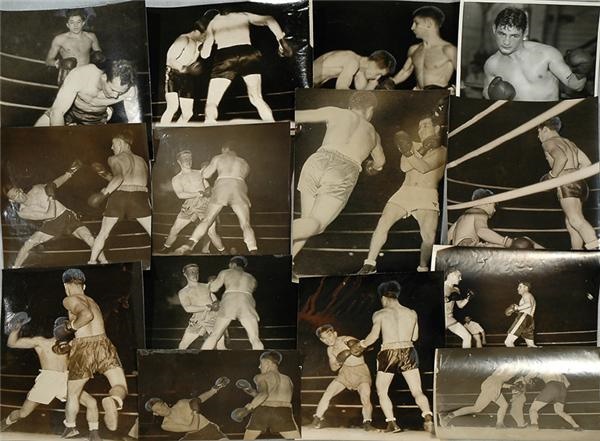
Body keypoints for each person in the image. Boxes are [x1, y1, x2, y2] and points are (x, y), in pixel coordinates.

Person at [293, 91, 386, 260]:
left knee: (307, 222)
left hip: (317, 160)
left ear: (351, 106)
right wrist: (372, 167)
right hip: (343, 171)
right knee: (317, 225)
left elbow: (297, 114)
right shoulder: (374, 134)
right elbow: (380, 163)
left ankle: (289, 260)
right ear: (370, 109)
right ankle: (274, 236)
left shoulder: (336, 112)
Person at [359, 115, 446, 274]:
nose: (421, 130)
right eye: (419, 127)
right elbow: (405, 166)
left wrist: (416, 152)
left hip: (427, 195)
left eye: (425, 125)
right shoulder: (412, 144)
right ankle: (369, 264)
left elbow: (424, 168)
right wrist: (420, 149)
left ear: (437, 128)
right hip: (405, 191)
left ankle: (423, 268)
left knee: (429, 237)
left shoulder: (443, 151)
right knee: (383, 222)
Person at [1, 312, 100, 440]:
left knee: (91, 402)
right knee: (23, 413)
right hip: (46, 381)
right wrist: (16, 328)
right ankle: (5, 423)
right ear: (56, 328)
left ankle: (94, 434)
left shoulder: (72, 345)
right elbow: (12, 344)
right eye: (64, 327)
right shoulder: (42, 342)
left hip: (66, 379)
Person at [54, 268, 128, 433]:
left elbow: (86, 315)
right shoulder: (93, 301)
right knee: (119, 384)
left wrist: (70, 326)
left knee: (73, 393)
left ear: (66, 285)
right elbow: (91, 314)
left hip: (84, 347)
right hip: (104, 343)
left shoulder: (69, 299)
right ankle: (114, 400)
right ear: (84, 286)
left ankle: (71, 427)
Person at [357, 281, 434, 434]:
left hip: (389, 351)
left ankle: (392, 423)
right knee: (417, 391)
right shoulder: (411, 312)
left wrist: (361, 344)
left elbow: (373, 337)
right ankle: (428, 418)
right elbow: (415, 336)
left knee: (382, 391)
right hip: (408, 351)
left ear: (384, 297)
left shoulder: (380, 314)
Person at [6, 161, 108, 268]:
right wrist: (51, 198)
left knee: (89, 238)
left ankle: (106, 263)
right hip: (51, 224)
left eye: (17, 192)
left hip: (66, 216)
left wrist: (69, 173)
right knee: (28, 244)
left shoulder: (36, 189)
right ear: (12, 201)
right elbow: (49, 215)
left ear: (21, 190)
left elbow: (53, 185)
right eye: (14, 197)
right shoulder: (23, 212)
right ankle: (15, 269)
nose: (18, 196)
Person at [200, 10, 293, 123]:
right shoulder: (243, 15)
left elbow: (205, 55)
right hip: (248, 52)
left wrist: (201, 47)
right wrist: (280, 39)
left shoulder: (213, 22)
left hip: (225, 55)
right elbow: (269, 19)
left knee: (212, 102)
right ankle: (272, 125)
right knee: (256, 98)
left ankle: (210, 125)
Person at [483, 7, 587, 101]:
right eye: (502, 34)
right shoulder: (492, 64)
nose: (506, 42)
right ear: (494, 29)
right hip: (516, 118)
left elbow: (575, 85)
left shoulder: (547, 54)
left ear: (525, 32)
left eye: (514, 36)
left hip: (547, 118)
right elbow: (486, 93)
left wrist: (581, 71)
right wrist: (492, 95)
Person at [174, 145, 256, 255]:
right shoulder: (244, 163)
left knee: (207, 220)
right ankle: (253, 249)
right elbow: (241, 177)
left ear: (225, 149)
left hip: (222, 185)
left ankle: (190, 244)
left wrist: (204, 169)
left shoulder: (219, 157)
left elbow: (206, 175)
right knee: (246, 224)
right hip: (239, 186)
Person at [88, 133, 151, 263]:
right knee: (152, 232)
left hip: (120, 196)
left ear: (121, 143)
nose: (112, 147)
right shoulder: (142, 161)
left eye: (113, 144)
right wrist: (105, 174)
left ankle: (92, 262)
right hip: (140, 197)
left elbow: (119, 178)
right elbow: (128, 180)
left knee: (103, 233)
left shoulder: (115, 158)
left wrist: (104, 193)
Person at [538, 116, 598, 250]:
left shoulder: (548, 142)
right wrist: (573, 175)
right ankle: (576, 252)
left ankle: (596, 249)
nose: (538, 136)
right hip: (580, 182)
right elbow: (587, 163)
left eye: (539, 131)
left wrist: (552, 177)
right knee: (571, 222)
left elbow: (561, 158)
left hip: (566, 183)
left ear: (546, 129)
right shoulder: (569, 142)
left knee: (576, 220)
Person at [35, 59, 140, 126]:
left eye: (120, 93)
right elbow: (57, 111)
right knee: (36, 133)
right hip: (69, 111)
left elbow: (134, 122)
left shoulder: (130, 91)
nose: (115, 96)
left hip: (96, 119)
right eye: (113, 90)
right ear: (104, 78)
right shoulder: (82, 75)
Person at [311, 324, 375, 431]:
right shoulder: (329, 350)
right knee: (328, 393)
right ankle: (317, 418)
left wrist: (357, 347)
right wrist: (339, 360)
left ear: (335, 333)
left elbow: (362, 348)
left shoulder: (347, 339)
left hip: (360, 371)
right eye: (324, 339)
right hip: (344, 372)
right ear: (322, 340)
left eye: (329, 336)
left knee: (365, 398)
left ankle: (367, 422)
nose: (328, 340)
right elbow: (333, 368)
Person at [159, 150, 224, 254]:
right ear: (179, 162)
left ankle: (223, 251)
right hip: (189, 205)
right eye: (185, 159)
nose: (188, 161)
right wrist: (199, 193)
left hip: (204, 204)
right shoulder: (176, 179)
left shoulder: (200, 173)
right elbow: (180, 195)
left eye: (190, 159)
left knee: (212, 233)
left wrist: (208, 190)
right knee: (175, 229)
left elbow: (207, 186)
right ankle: (166, 247)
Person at [160, 12, 218, 123]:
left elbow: (205, 55)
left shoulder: (198, 44)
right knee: (172, 107)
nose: (207, 38)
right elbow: (170, 60)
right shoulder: (183, 39)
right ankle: (163, 132)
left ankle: (176, 130)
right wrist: (187, 69)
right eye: (206, 35)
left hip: (187, 77)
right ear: (200, 31)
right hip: (173, 74)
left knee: (188, 113)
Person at [230, 351, 300, 440]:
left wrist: (248, 408)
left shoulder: (261, 377)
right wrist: (249, 389)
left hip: (263, 411)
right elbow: (265, 396)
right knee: (295, 438)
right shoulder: (288, 379)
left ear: (267, 362)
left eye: (261, 363)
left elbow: (263, 395)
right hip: (283, 412)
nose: (259, 366)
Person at [200, 256, 263, 350]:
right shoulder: (252, 278)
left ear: (233, 264)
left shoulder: (225, 272)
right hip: (247, 301)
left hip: (230, 300)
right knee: (255, 339)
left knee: (215, 335)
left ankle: (202, 359)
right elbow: (252, 289)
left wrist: (210, 284)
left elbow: (213, 288)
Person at [391, 6, 456, 89]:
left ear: (429, 23)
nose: (412, 28)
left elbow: (464, 77)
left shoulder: (448, 49)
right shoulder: (414, 49)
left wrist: (454, 89)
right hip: (419, 97)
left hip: (439, 99)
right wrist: (391, 81)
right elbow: (406, 71)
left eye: (416, 23)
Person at [145, 377, 230, 440]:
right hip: (192, 437)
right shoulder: (166, 425)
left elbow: (199, 399)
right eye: (158, 410)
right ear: (155, 413)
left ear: (166, 404)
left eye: (162, 405)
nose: (163, 409)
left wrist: (215, 389)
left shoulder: (181, 403)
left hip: (209, 430)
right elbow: (193, 428)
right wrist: (195, 412)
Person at [440, 363, 516, 428]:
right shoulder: (511, 367)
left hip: (493, 384)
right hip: (493, 385)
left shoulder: (508, 367)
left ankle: (499, 424)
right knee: (477, 408)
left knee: (504, 405)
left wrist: (511, 386)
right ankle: (448, 416)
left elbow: (500, 381)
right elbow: (498, 379)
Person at [45, 9, 103, 86]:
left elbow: (99, 56)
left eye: (78, 22)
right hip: (68, 76)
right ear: (67, 25)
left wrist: (98, 58)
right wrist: (60, 63)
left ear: (83, 23)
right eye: (72, 22)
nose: (75, 25)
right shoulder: (60, 39)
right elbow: (48, 61)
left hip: (87, 75)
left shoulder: (91, 37)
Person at [177, 263, 226, 350]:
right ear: (185, 274)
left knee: (221, 346)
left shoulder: (206, 286)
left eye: (197, 271)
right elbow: (187, 308)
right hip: (197, 320)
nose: (195, 274)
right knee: (182, 346)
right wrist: (205, 307)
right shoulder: (183, 292)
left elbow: (214, 299)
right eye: (191, 272)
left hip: (212, 318)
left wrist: (217, 304)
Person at [313, 50, 397, 90]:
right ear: (374, 64)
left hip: (309, 86)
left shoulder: (360, 70)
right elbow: (341, 88)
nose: (377, 78)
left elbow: (361, 96)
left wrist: (371, 85)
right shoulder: (352, 61)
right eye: (379, 74)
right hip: (302, 82)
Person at [443, 269, 473, 348]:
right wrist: (447, 298)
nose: (460, 279)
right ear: (451, 274)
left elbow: (460, 305)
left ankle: (466, 359)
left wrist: (468, 298)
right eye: (459, 276)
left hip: (449, 318)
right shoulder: (440, 286)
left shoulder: (456, 289)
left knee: (467, 337)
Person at [504, 282, 538, 348]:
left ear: (526, 288)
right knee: (531, 346)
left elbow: (528, 304)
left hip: (524, 317)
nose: (517, 288)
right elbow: (528, 308)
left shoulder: (526, 294)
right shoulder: (530, 296)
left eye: (520, 286)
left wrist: (516, 308)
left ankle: (514, 358)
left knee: (508, 342)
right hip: (530, 320)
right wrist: (517, 310)